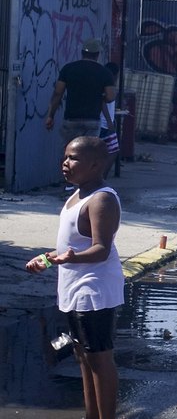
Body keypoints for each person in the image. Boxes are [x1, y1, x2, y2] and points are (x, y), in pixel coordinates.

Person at [25, 136, 124, 419]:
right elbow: (73, 244)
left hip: (94, 290)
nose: (66, 163)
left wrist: (70, 258)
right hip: (74, 288)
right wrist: (47, 258)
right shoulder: (76, 195)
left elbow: (101, 249)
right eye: (66, 156)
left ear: (96, 164)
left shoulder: (102, 199)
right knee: (83, 356)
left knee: (99, 358)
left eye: (74, 158)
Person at [45, 39, 116, 146]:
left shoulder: (68, 69)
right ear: (97, 55)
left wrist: (51, 115)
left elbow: (58, 93)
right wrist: (99, 98)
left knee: (70, 150)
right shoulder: (105, 72)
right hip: (92, 120)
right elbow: (110, 97)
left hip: (71, 119)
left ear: (82, 53)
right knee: (89, 152)